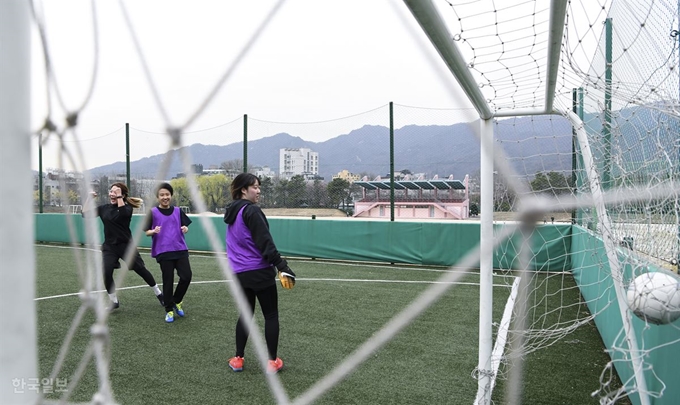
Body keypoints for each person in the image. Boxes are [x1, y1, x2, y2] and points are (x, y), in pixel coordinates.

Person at [224, 173, 296, 375]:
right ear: (243, 190)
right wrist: (282, 266)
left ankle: (238, 358)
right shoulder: (252, 211)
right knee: (271, 315)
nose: (258, 191)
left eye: (259, 187)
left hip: (240, 273)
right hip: (259, 272)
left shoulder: (232, 211)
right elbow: (266, 244)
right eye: (254, 187)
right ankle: (272, 361)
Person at [83, 182, 164, 310]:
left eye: (116, 191)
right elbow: (85, 214)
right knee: (106, 271)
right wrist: (89, 198)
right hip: (110, 247)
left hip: (126, 246)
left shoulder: (127, 209)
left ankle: (159, 294)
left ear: (123, 195)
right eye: (111, 191)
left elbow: (122, 214)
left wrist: (120, 197)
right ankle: (114, 302)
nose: (112, 194)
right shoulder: (104, 208)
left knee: (141, 270)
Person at [145, 183, 193, 323]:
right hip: (163, 251)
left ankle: (176, 301)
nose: (165, 197)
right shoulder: (153, 212)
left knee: (186, 276)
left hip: (180, 249)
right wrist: (153, 231)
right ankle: (169, 310)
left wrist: (185, 229)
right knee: (168, 281)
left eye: (167, 194)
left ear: (171, 195)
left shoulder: (178, 211)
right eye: (162, 195)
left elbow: (185, 226)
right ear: (157, 197)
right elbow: (146, 231)